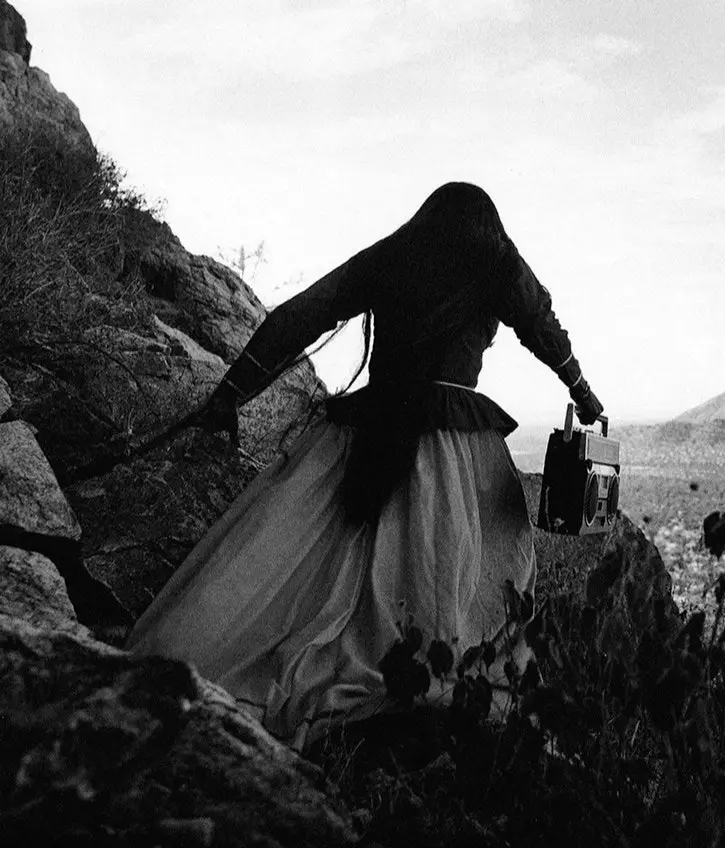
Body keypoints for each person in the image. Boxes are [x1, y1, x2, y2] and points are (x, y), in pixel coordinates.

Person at [124, 182, 603, 750]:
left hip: (364, 432)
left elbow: (303, 315)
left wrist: (233, 391)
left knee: (301, 567)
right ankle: (422, 688)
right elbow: (542, 327)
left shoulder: (393, 254)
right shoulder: (496, 259)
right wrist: (585, 394)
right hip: (454, 448)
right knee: (471, 573)